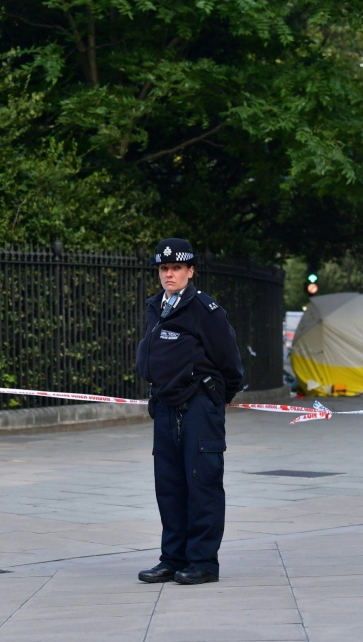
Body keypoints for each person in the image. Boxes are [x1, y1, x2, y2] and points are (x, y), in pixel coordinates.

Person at [135, 238, 245, 586]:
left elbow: (230, 362)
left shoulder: (204, 310)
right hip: (166, 405)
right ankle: (173, 558)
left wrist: (216, 398)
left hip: (199, 406)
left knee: (203, 484)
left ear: (190, 271)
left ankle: (202, 562)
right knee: (169, 486)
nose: (169, 274)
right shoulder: (157, 306)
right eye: (164, 269)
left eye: (176, 268)